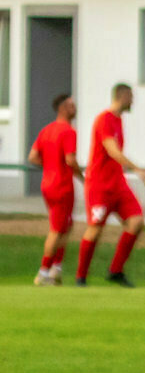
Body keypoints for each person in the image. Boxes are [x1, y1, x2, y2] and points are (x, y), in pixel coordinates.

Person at [75, 83, 145, 287]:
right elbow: (112, 151)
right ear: (123, 96)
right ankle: (81, 277)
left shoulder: (119, 120)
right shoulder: (104, 119)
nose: (133, 101)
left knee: (136, 222)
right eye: (131, 97)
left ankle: (115, 271)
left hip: (118, 184)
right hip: (100, 185)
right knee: (95, 229)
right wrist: (138, 169)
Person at [27, 94, 83, 285]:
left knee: (65, 226)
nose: (74, 108)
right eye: (70, 105)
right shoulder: (68, 131)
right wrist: (83, 178)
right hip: (62, 185)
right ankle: (43, 273)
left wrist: (50, 165)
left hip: (47, 184)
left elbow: (33, 157)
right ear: (62, 108)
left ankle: (55, 270)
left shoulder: (46, 130)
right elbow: (70, 159)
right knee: (57, 229)